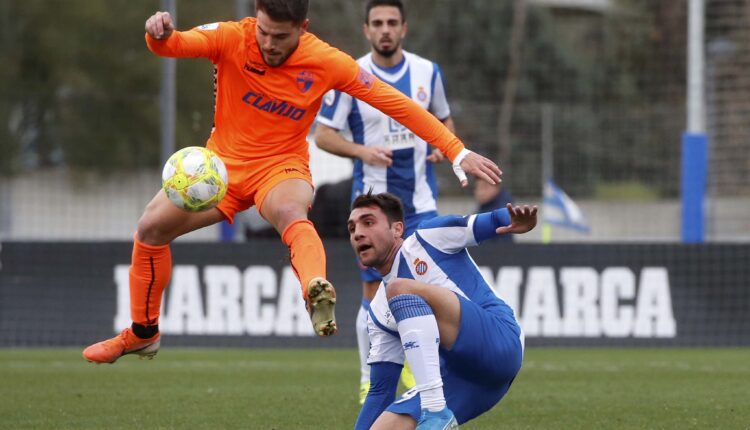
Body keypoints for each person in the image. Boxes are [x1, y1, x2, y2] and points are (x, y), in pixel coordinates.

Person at [82, 0, 502, 364]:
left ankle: (315, 290)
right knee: (150, 229)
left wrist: (455, 150)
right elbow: (173, 45)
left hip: (281, 167)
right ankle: (143, 332)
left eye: (280, 36)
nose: (268, 43)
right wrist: (158, 33)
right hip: (221, 169)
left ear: (303, 28)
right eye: (263, 32)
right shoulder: (232, 37)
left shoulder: (326, 61)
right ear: (255, 20)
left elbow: (396, 104)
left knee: (289, 212)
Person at [313, 0, 454, 403]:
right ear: (366, 29)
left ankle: (420, 375)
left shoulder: (428, 72)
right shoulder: (350, 75)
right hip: (374, 208)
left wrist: (441, 147)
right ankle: (367, 377)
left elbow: (444, 121)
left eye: (392, 22)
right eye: (378, 23)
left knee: (423, 291)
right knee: (374, 294)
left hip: (422, 204)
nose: (385, 29)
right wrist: (361, 151)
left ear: (404, 28)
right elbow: (323, 135)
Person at [347, 192, 537, 429]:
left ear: (397, 229)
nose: (358, 233)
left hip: (501, 341)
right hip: (462, 380)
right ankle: (435, 412)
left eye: (368, 222)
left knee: (399, 288)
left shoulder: (428, 238)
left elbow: (490, 222)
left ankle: (436, 412)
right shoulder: (377, 313)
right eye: (352, 228)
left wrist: (514, 219)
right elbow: (380, 390)